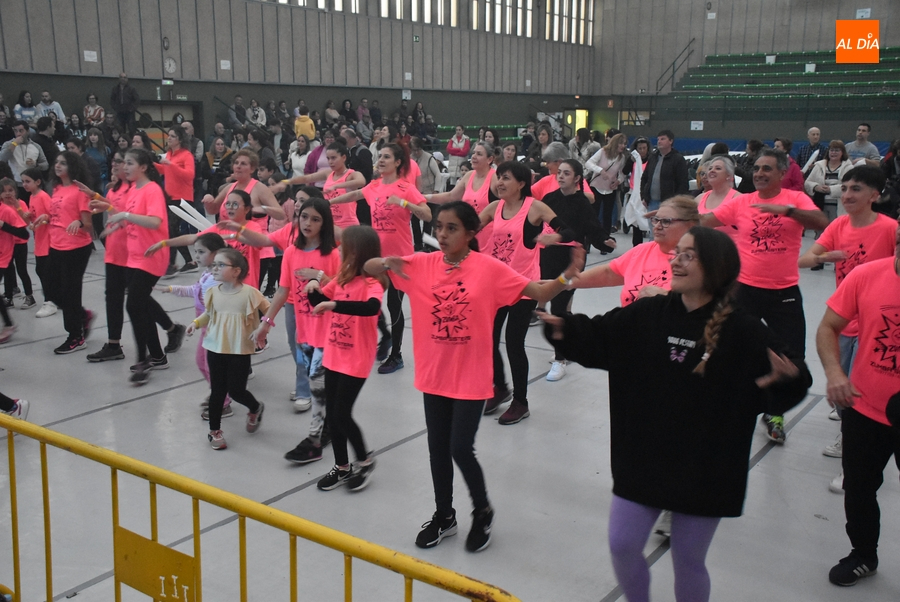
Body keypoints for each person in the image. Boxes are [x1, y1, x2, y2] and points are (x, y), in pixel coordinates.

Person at [543, 226, 811, 602]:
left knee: (688, 558)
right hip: (644, 456)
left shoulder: (743, 329)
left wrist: (787, 380)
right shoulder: (649, 313)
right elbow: (601, 337)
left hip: (707, 467)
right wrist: (563, 328)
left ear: (715, 267)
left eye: (688, 255)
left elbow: (790, 377)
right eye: (677, 253)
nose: (676, 260)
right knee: (622, 544)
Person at [363, 201, 582, 551]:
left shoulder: (490, 269)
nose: (443, 234)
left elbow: (539, 292)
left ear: (470, 233)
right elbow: (370, 267)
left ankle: (482, 511)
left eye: (451, 228)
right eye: (439, 227)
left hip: (471, 377)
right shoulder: (421, 265)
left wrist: (566, 276)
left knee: (459, 447)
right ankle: (444, 515)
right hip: (434, 375)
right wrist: (387, 261)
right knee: (437, 450)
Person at [701, 148, 828, 443]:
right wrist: (674, 217)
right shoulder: (743, 201)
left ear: (782, 173)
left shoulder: (795, 199)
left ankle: (775, 411)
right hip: (745, 289)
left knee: (791, 356)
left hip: (783, 292)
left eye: (767, 169)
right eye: (757, 168)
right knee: (725, 345)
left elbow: (822, 222)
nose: (759, 173)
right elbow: (706, 220)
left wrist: (787, 212)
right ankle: (723, 403)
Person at [816, 196, 900, 586]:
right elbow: (828, 327)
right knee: (860, 488)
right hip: (866, 407)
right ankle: (864, 554)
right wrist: (835, 373)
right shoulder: (867, 276)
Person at [799, 166, 897, 484]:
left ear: (874, 195)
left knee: (860, 389)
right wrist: (824, 257)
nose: (848, 194)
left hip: (875, 324)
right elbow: (805, 259)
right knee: (841, 386)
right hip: (842, 320)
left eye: (856, 189)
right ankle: (850, 429)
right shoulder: (839, 225)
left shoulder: (889, 229)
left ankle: (851, 453)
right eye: (845, 188)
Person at [286, 224, 381, 491]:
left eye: (345, 249)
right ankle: (342, 466)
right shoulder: (341, 280)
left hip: (356, 359)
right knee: (334, 415)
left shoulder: (372, 283)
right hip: (334, 355)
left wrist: (334, 304)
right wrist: (314, 284)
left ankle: (364, 460)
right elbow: (319, 300)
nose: (340, 254)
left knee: (342, 414)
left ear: (358, 253)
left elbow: (371, 307)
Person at [328, 144, 432, 374]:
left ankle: (396, 355)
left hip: (398, 258)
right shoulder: (374, 186)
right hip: (375, 257)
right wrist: (329, 203)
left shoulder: (406, 187)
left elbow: (427, 214)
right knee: (366, 298)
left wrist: (403, 202)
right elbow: (356, 194)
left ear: (397, 163)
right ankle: (385, 337)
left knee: (395, 306)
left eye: (387, 157)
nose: (381, 160)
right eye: (380, 156)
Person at [479, 160, 570, 424]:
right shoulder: (495, 207)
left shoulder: (535, 208)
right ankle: (499, 388)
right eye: (498, 178)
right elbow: (470, 228)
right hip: (496, 286)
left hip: (523, 286)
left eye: (506, 178)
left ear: (521, 183)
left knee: (515, 343)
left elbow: (567, 229)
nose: (500, 183)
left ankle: (521, 401)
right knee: (488, 340)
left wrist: (556, 237)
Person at [252, 195, 340, 464]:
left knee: (316, 382)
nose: (308, 223)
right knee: (324, 389)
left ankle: (314, 440)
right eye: (304, 217)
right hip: (305, 331)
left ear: (325, 223)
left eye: (316, 219)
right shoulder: (290, 252)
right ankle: (329, 430)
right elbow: (283, 291)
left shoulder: (333, 254)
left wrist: (321, 278)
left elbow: (344, 291)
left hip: (329, 333)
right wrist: (265, 324)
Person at [106, 149, 181, 384]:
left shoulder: (152, 190)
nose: (124, 167)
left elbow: (155, 221)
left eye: (129, 163)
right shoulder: (134, 190)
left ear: (144, 167)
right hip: (133, 255)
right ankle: (157, 355)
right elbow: (129, 218)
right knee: (141, 305)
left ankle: (143, 360)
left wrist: (124, 215)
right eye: (123, 163)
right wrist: (114, 225)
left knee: (134, 305)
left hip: (152, 255)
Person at [186, 247, 269, 450]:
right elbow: (209, 314)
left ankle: (255, 407)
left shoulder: (250, 293)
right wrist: (196, 323)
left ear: (236, 271)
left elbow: (269, 311)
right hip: (215, 347)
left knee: (237, 390)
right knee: (217, 391)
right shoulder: (213, 292)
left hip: (239, 350)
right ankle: (214, 431)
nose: (214, 268)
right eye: (214, 264)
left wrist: (262, 328)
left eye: (220, 265)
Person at [539, 159, 613, 381]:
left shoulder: (582, 203)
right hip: (548, 255)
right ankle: (566, 343)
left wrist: (604, 241)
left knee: (559, 305)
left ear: (578, 178)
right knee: (549, 299)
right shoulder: (550, 199)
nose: (560, 176)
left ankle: (560, 358)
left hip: (571, 259)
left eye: (566, 173)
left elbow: (591, 228)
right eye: (559, 172)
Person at [571, 196, 699, 308]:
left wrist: (666, 297)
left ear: (690, 225)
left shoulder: (698, 261)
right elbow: (608, 273)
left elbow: (704, 303)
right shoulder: (642, 251)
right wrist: (561, 283)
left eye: (666, 221)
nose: (658, 226)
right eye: (656, 220)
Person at [155, 232, 232, 416]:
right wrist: (171, 289)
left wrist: (197, 323)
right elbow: (194, 290)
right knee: (202, 363)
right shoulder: (208, 274)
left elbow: (215, 310)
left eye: (201, 252)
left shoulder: (216, 279)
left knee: (212, 366)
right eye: (195, 251)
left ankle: (223, 402)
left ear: (216, 253)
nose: (196, 256)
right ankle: (219, 394)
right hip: (206, 328)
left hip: (215, 329)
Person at [154, 189, 265, 289]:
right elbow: (193, 238)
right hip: (223, 287)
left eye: (235, 204)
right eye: (228, 204)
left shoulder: (253, 227)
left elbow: (258, 243)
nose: (230, 207)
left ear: (246, 209)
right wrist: (164, 243)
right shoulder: (221, 226)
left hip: (246, 287)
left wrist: (234, 235)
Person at [45, 152, 95, 354]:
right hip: (56, 244)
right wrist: (44, 218)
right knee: (51, 290)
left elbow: (89, 225)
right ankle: (83, 315)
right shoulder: (56, 189)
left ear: (72, 167)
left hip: (76, 248)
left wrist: (79, 222)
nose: (58, 166)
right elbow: (56, 214)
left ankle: (76, 336)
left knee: (70, 292)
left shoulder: (79, 192)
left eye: (63, 163)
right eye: (56, 162)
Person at [427, 141, 498, 250]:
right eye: (473, 153)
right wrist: (423, 197)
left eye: (479, 154)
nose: (474, 156)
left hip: (488, 239)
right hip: (468, 236)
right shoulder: (469, 175)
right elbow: (451, 196)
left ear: (489, 159)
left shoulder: (495, 178)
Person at [156, 125, 197, 275]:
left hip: (182, 198)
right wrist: (150, 163)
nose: (169, 138)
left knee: (171, 228)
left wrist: (170, 164)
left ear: (179, 139)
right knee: (171, 229)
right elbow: (163, 170)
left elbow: (189, 175)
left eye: (172, 136)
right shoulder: (169, 154)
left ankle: (172, 264)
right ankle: (188, 261)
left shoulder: (186, 155)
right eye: (169, 136)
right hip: (169, 197)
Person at [20, 168, 55, 316]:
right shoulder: (32, 197)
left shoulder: (43, 196)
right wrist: (28, 216)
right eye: (23, 182)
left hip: (48, 239)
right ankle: (55, 299)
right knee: (41, 270)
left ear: (38, 182)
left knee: (44, 271)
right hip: (39, 239)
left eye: (28, 181)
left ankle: (50, 301)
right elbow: (32, 220)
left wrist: (45, 218)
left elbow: (53, 216)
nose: (24, 185)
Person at [586, 133, 628, 233]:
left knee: (607, 215)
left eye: (625, 144)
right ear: (615, 143)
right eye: (621, 143)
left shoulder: (621, 158)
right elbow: (589, 163)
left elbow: (622, 173)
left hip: (610, 188)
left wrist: (618, 181)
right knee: (594, 213)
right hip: (596, 186)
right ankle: (590, 238)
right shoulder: (602, 151)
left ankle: (605, 238)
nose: (623, 146)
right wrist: (600, 170)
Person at [640, 129, 689, 216]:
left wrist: (676, 202)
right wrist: (643, 197)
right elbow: (644, 178)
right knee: (653, 228)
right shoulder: (653, 158)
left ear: (670, 141)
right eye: (658, 139)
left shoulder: (678, 159)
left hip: (669, 203)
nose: (659, 142)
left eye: (662, 139)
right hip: (651, 203)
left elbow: (683, 183)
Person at [804, 140, 855, 221]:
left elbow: (850, 186)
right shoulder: (819, 165)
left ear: (842, 152)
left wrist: (831, 189)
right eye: (831, 150)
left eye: (837, 150)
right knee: (820, 231)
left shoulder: (849, 168)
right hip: (820, 205)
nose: (833, 153)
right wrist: (816, 187)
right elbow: (807, 182)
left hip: (838, 206)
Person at [696, 155, 741, 242]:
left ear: (728, 175)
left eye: (718, 168)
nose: (712, 171)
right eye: (710, 169)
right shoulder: (699, 198)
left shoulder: (738, 199)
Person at [0, 120, 48, 197]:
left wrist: (35, 164)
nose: (18, 134)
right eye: (16, 131)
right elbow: (2, 158)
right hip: (15, 184)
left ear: (27, 131)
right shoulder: (8, 144)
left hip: (32, 184)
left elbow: (45, 165)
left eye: (21, 131)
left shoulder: (36, 146)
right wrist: (14, 144)